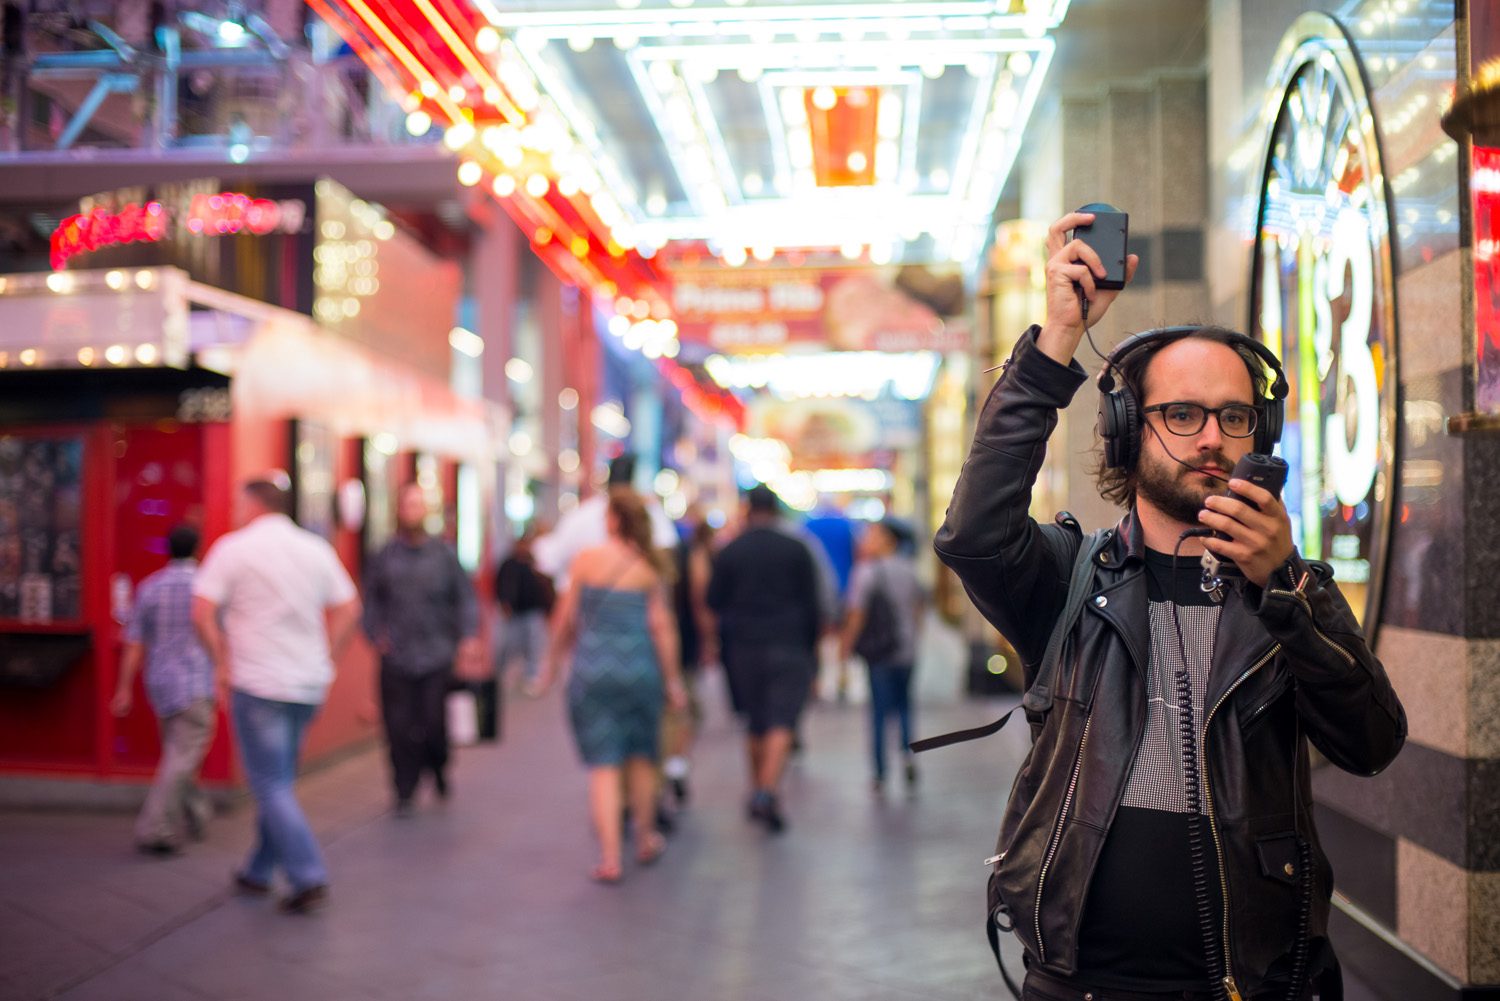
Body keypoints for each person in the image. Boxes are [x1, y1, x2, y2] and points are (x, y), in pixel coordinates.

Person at [934, 211, 1406, 1000]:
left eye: (1233, 416)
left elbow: (1371, 740)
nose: (1211, 439)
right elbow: (973, 534)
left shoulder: (1290, 591)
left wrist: (1286, 584)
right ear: (1127, 431)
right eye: (1181, 415)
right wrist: (1056, 340)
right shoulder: (1070, 581)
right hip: (1081, 983)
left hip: (1258, 982)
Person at [192, 477, 361, 915]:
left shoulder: (233, 548)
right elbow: (349, 608)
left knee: (269, 784)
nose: (233, 510)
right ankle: (258, 871)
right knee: (279, 782)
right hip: (307, 684)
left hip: (259, 683)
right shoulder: (316, 548)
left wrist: (221, 661)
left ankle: (308, 875)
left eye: (236, 502)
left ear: (252, 504)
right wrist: (328, 654)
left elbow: (201, 611)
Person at [530, 491, 687, 884]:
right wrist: (673, 680)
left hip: (592, 670)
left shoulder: (587, 561)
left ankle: (610, 857)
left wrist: (548, 667)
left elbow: (563, 620)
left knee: (603, 766)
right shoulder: (649, 566)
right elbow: (662, 628)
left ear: (614, 520)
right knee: (641, 757)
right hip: (639, 671)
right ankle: (646, 838)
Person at [707, 484, 825, 833]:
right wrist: (813, 650)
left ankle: (757, 786)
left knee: (755, 719)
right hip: (789, 643)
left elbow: (714, 601)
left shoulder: (731, 551)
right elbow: (813, 604)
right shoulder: (796, 549)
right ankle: (767, 790)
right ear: (775, 510)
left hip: (743, 646)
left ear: (747, 509)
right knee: (782, 719)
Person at [362, 483, 481, 816]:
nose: (413, 511)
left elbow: (465, 598)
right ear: (399, 510)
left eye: (418, 505)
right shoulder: (384, 556)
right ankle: (404, 788)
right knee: (398, 727)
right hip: (397, 655)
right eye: (407, 505)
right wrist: (375, 634)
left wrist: (468, 636)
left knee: (432, 724)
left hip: (436, 654)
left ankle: (439, 767)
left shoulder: (444, 555)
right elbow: (370, 602)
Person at [111, 524, 217, 855]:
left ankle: (197, 811)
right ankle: (155, 828)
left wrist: (124, 688)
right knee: (182, 757)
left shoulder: (149, 587)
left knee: (178, 754)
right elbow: (219, 635)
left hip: (160, 683)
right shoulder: (207, 588)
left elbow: (134, 642)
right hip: (197, 682)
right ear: (198, 549)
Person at [839, 518, 924, 793]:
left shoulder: (866, 572)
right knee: (904, 708)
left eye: (872, 534)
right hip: (907, 650)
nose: (866, 539)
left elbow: (857, 615)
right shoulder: (910, 569)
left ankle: (879, 772)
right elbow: (918, 610)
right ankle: (908, 756)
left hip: (880, 653)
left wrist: (845, 647)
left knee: (878, 711)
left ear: (888, 539)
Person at [533, 453, 677, 585]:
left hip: (587, 605)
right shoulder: (651, 512)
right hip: (633, 602)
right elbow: (666, 553)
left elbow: (550, 560)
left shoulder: (581, 515)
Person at [662, 506, 716, 808]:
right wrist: (709, 639)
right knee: (683, 709)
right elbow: (700, 599)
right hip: (680, 645)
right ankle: (675, 765)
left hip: (649, 650)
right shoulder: (690, 554)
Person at [493, 527, 554, 692]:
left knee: (533, 645)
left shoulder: (533, 562)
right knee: (508, 645)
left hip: (533, 610)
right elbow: (500, 584)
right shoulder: (508, 564)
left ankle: (531, 676)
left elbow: (546, 584)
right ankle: (498, 676)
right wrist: (504, 602)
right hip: (514, 612)